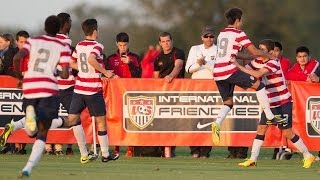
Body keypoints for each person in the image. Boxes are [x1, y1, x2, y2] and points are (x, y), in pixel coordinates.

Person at [233, 39, 315, 168]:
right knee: (261, 129)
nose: (259, 51)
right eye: (258, 48)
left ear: (270, 52)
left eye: (262, 50)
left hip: (282, 103)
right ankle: (253, 159)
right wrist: (233, 58)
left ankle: (308, 155)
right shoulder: (258, 61)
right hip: (270, 104)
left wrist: (237, 65)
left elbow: (257, 73)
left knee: (288, 133)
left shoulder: (274, 63)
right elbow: (246, 70)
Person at [211, 7, 286, 145]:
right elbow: (256, 52)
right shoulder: (239, 33)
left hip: (217, 72)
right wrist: (270, 56)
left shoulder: (222, 34)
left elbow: (237, 54)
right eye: (241, 20)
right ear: (238, 20)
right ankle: (270, 116)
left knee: (228, 103)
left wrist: (251, 56)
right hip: (229, 70)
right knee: (260, 86)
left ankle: (217, 123)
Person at [12, 15, 71, 177]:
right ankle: (28, 168)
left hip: (30, 85)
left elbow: (17, 57)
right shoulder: (62, 45)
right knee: (43, 132)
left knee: (31, 132)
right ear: (59, 28)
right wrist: (61, 71)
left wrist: (20, 78)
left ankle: (31, 119)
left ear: (45, 28)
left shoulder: (33, 41)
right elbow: (65, 74)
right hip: (48, 88)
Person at [60, 18, 119, 163]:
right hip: (92, 90)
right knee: (101, 122)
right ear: (95, 31)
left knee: (72, 120)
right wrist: (104, 72)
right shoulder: (98, 46)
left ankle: (84, 154)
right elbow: (92, 59)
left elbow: (71, 62)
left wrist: (86, 71)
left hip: (79, 89)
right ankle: (105, 154)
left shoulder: (79, 45)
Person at [105, 32, 141, 157]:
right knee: (117, 121)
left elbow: (138, 75)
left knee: (130, 121)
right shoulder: (110, 58)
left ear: (128, 44)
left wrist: (130, 63)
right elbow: (106, 74)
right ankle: (116, 147)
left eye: (125, 45)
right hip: (115, 95)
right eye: (120, 45)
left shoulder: (135, 58)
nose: (123, 48)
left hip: (131, 94)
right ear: (117, 44)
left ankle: (130, 147)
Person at [45, 12, 75, 156]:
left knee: (51, 115)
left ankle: (49, 147)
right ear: (65, 24)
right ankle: (82, 150)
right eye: (70, 21)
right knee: (74, 117)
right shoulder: (66, 40)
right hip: (65, 84)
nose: (71, 24)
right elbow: (66, 62)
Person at [185, 26, 216, 158]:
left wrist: (206, 63)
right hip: (196, 87)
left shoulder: (219, 49)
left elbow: (218, 70)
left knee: (209, 119)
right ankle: (195, 150)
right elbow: (188, 69)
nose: (208, 39)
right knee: (195, 119)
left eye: (211, 36)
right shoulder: (195, 49)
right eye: (206, 36)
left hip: (212, 87)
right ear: (202, 37)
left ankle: (205, 151)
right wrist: (198, 64)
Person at [154, 31, 186, 157]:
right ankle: (163, 148)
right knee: (162, 121)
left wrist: (171, 76)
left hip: (177, 92)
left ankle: (171, 147)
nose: (166, 43)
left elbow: (178, 66)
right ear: (160, 43)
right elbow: (155, 77)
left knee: (175, 121)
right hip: (162, 94)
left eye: (168, 41)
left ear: (172, 41)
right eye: (163, 41)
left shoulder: (178, 52)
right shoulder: (157, 57)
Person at [286, 46, 319, 157]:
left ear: (309, 57)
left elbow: (309, 78)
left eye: (305, 56)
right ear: (296, 58)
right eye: (300, 57)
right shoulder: (295, 66)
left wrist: (297, 79)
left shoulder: (315, 65)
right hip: (301, 103)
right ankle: (292, 148)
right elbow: (288, 77)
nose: (302, 59)